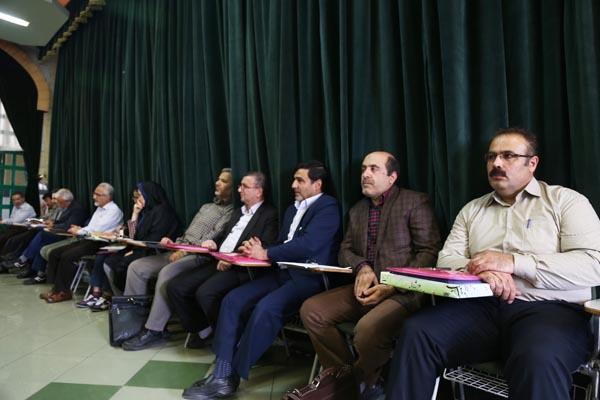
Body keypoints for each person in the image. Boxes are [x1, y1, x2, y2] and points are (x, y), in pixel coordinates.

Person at [386, 128, 600, 400]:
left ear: (532, 163)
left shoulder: (566, 202)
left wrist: (513, 263)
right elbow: (446, 259)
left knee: (537, 357)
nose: (496, 163)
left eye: (508, 156)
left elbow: (593, 263)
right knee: (417, 332)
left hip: (549, 310)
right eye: (491, 157)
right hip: (481, 308)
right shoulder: (472, 210)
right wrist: (483, 270)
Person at [182, 161, 342, 400]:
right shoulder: (291, 210)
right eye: (294, 179)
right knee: (232, 300)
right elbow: (281, 244)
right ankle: (222, 372)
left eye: (300, 180)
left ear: (317, 184)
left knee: (265, 308)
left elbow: (308, 245)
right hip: (280, 273)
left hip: (308, 279)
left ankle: (231, 375)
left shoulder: (327, 206)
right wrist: (255, 248)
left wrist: (266, 253)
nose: (293, 185)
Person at [298, 151, 441, 399]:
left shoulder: (414, 202)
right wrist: (362, 267)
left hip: (404, 293)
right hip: (365, 288)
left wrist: (393, 285)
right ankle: (352, 382)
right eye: (364, 169)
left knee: (366, 331)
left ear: (392, 177)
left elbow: (430, 251)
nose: (365, 174)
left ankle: (362, 382)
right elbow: (344, 250)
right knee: (312, 311)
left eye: (374, 169)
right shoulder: (357, 210)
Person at [162, 171, 278, 350]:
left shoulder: (269, 214)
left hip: (241, 268)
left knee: (205, 293)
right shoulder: (238, 212)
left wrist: (233, 257)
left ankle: (228, 338)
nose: (239, 190)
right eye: (239, 186)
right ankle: (203, 330)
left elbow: (264, 246)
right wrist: (213, 242)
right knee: (176, 287)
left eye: (244, 186)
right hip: (217, 260)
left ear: (259, 191)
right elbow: (224, 236)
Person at [119, 169, 234, 345]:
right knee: (136, 267)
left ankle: (154, 329)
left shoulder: (231, 211)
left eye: (224, 181)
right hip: (177, 249)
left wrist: (184, 251)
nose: (217, 183)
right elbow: (187, 233)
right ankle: (131, 322)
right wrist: (173, 242)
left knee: (166, 272)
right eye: (218, 179)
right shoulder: (206, 207)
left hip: (197, 255)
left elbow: (213, 237)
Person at [77, 181, 183, 311]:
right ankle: (120, 298)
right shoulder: (146, 212)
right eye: (135, 197)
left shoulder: (163, 212)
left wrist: (134, 248)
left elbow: (153, 240)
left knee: (120, 263)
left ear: (150, 195)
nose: (137, 200)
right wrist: (135, 215)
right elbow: (132, 235)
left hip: (154, 251)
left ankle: (128, 302)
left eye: (139, 196)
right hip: (139, 248)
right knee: (108, 261)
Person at [40, 182, 123, 303]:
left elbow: (98, 230)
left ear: (107, 196)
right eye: (94, 194)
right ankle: (56, 289)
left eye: (98, 195)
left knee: (67, 256)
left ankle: (64, 292)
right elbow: (91, 227)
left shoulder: (113, 211)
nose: (94, 197)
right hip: (89, 239)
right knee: (55, 253)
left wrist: (79, 231)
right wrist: (81, 229)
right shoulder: (99, 209)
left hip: (101, 243)